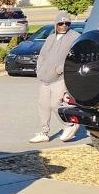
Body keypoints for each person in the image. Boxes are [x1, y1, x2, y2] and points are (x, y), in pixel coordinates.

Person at [30, 13, 79, 143]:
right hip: (45, 78)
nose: (64, 26)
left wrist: (60, 69)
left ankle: (70, 125)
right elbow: (42, 55)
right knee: (43, 106)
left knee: (55, 104)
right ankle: (44, 132)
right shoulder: (51, 37)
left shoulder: (74, 37)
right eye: (61, 23)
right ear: (56, 24)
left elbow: (75, 57)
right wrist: (39, 69)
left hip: (60, 78)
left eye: (67, 24)